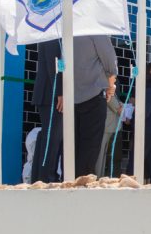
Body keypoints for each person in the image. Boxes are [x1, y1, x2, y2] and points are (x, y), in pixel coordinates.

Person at [72, 35, 118, 177]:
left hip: (70, 96)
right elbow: (111, 64)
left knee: (73, 147)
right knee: (90, 148)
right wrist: (111, 86)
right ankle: (83, 186)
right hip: (93, 96)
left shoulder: (69, 30)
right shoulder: (97, 31)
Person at [29, 39, 63, 183]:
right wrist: (61, 92)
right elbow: (53, 64)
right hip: (51, 95)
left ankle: (39, 178)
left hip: (50, 94)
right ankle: (46, 178)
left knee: (47, 137)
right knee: (52, 138)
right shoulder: (53, 32)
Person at [95, 88, 125, 178]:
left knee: (103, 156)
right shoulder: (106, 88)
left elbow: (119, 104)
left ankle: (100, 177)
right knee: (100, 157)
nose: (115, 79)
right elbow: (118, 108)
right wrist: (120, 107)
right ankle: (98, 178)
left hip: (110, 127)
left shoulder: (110, 88)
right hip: (107, 127)